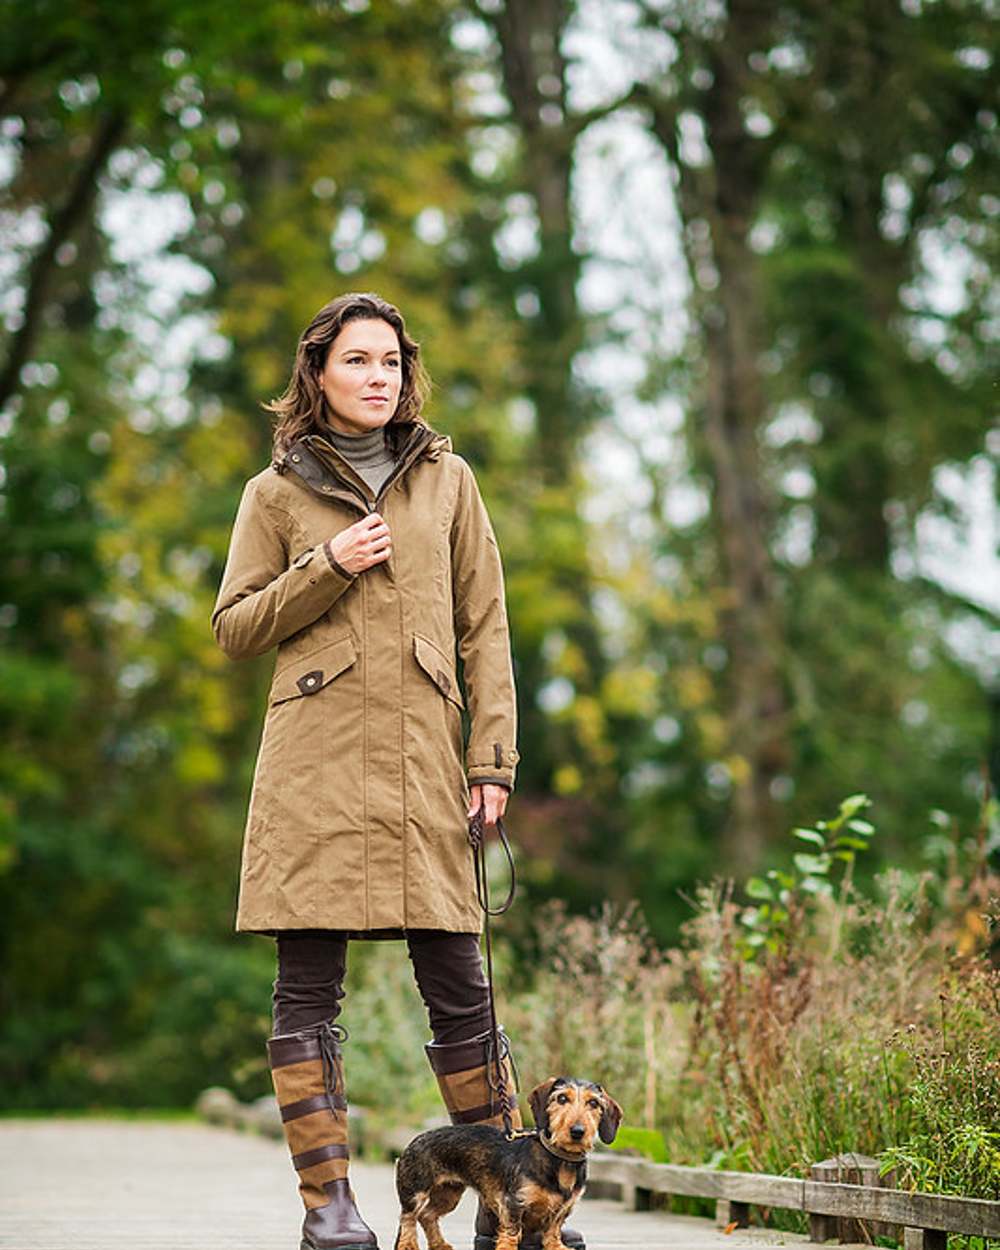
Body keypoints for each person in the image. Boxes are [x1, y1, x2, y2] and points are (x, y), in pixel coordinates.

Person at [210, 292, 585, 1250]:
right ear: (318, 375)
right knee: (306, 991)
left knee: (462, 980)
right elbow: (234, 630)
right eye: (356, 362)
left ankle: (521, 1209)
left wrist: (491, 757)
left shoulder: (450, 481)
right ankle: (329, 1210)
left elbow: (485, 626)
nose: (377, 378)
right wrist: (326, 563)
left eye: (389, 362)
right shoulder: (274, 494)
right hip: (314, 770)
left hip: (426, 764)